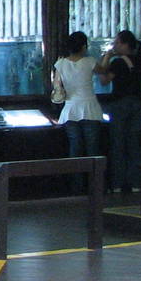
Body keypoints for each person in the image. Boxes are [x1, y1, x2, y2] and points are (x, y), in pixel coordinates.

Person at [51, 31, 105, 189]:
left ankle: (77, 186)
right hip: (90, 108)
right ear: (83, 46)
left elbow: (56, 85)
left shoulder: (60, 64)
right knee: (93, 149)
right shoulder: (89, 61)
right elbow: (104, 71)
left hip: (70, 109)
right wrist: (108, 56)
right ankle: (95, 186)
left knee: (75, 148)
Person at [97, 29, 141, 194]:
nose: (114, 45)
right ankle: (136, 182)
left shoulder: (117, 63)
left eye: (117, 42)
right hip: (136, 104)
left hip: (119, 104)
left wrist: (107, 57)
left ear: (125, 44)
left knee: (118, 143)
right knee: (134, 144)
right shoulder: (140, 60)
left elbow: (104, 80)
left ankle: (117, 183)